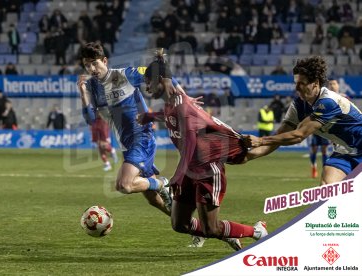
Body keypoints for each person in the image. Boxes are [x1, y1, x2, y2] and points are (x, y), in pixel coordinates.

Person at [77, 42, 205, 247]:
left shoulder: (124, 75)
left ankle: (162, 183)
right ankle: (196, 228)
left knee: (124, 185)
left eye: (94, 64)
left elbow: (161, 73)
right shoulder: (92, 86)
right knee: (153, 200)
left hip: (141, 138)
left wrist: (184, 96)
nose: (91, 69)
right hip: (127, 144)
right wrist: (83, 93)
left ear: (104, 61)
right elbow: (92, 120)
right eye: (87, 65)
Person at [139, 51, 268, 251]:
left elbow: (190, 143)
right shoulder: (170, 101)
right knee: (179, 224)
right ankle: (227, 233)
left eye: (149, 82)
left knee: (211, 228)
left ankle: (256, 231)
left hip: (208, 170)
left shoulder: (183, 107)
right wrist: (149, 116)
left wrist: (178, 175)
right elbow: (169, 115)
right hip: (190, 169)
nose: (146, 88)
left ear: (162, 80)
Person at [246, 56, 362, 185]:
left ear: (315, 83)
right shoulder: (298, 105)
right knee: (326, 190)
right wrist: (246, 156)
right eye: (296, 83)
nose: (297, 88)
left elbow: (298, 136)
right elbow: (277, 139)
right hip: (344, 152)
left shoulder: (328, 101)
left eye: (302, 83)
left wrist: (260, 140)